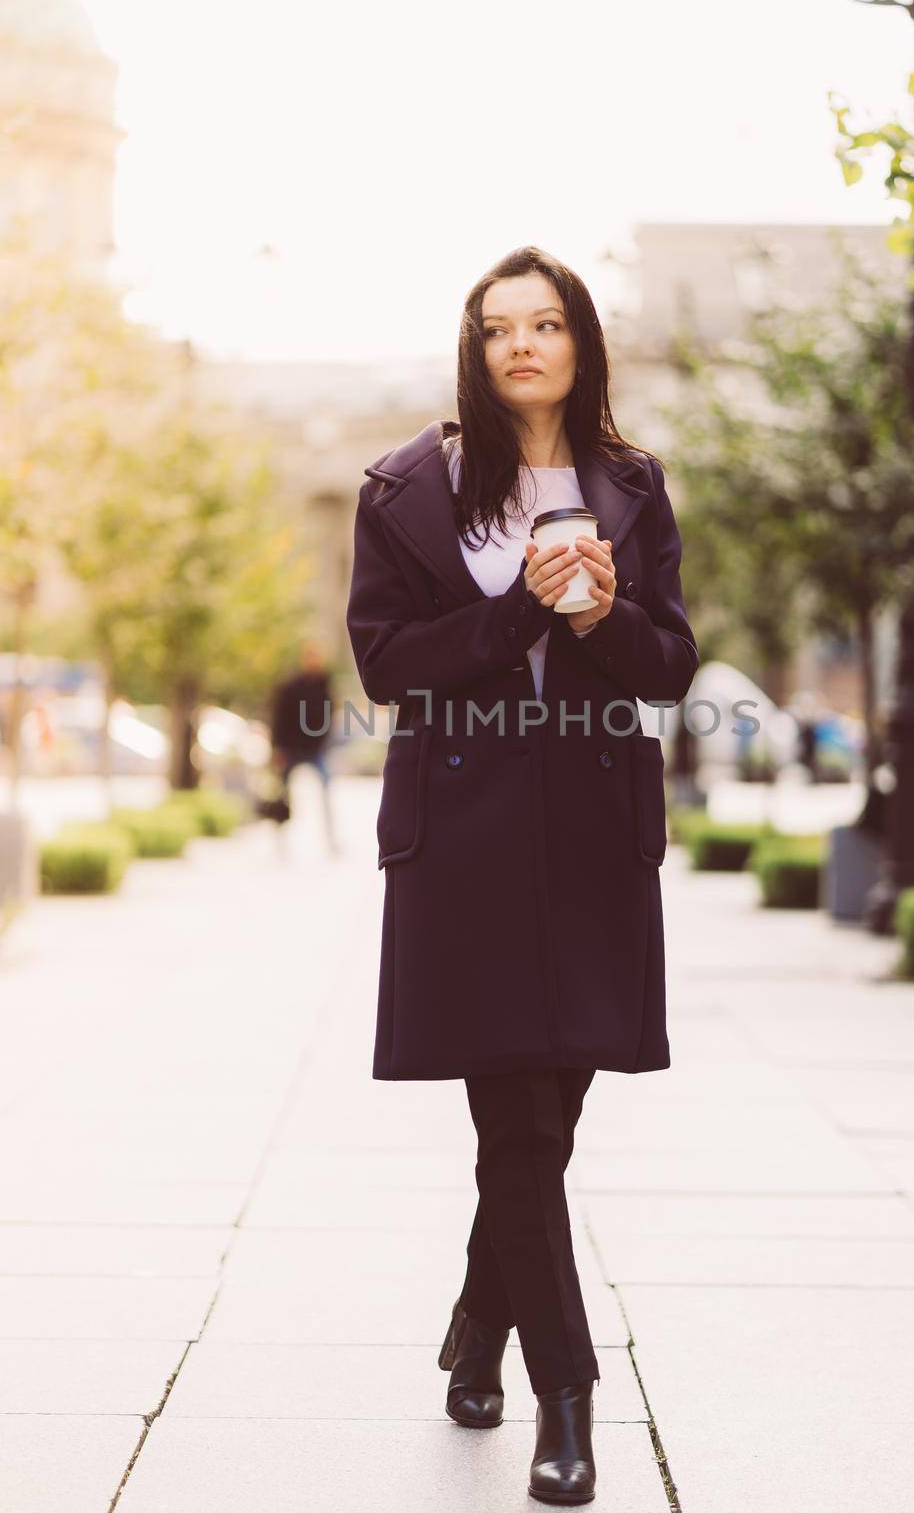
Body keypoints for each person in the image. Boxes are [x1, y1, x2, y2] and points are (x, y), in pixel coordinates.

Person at [346, 246, 699, 1506]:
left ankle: (475, 1323)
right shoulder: (407, 486)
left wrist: (601, 618)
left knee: (550, 1117)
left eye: (545, 323)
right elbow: (385, 665)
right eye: (497, 327)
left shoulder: (630, 484)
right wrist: (521, 613)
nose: (522, 345)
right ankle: (568, 1399)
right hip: (468, 837)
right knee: (523, 1122)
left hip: (596, 827)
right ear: (473, 349)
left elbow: (668, 664)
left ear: (578, 341)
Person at [268, 641, 340, 853]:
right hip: (291, 749)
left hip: (316, 749)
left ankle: (331, 841)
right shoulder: (291, 686)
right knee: (283, 795)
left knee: (327, 793)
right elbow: (279, 718)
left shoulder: (324, 684)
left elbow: (329, 716)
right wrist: (277, 748)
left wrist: (325, 742)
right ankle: (280, 841)